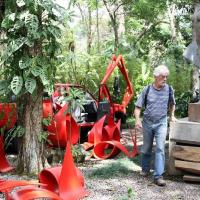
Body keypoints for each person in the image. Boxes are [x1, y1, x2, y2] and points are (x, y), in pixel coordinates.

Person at [134, 64, 176, 186]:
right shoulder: (146, 90)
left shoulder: (169, 89)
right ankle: (145, 169)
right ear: (156, 77)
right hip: (147, 123)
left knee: (160, 149)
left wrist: (172, 115)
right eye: (163, 76)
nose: (165, 79)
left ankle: (158, 175)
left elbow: (172, 104)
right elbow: (138, 107)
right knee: (146, 148)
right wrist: (137, 120)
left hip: (161, 123)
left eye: (166, 77)